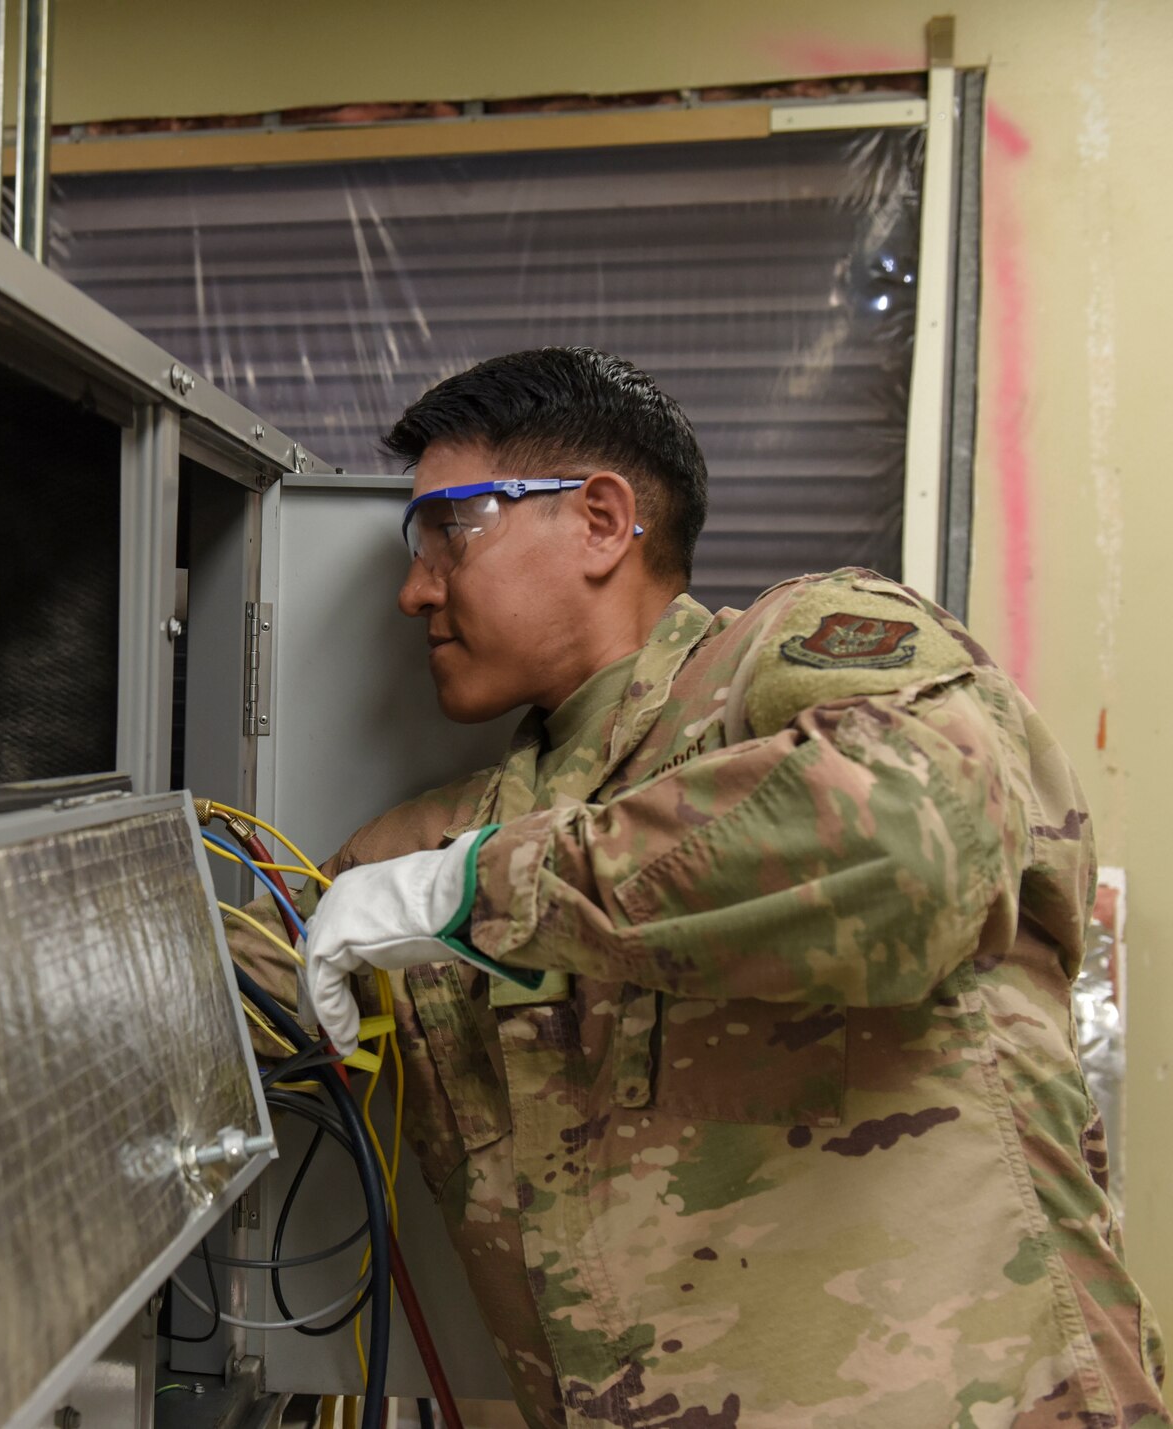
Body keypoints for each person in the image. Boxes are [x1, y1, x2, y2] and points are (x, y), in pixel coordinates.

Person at [222, 349, 1167, 1428]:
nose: (414, 586)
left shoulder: (796, 658)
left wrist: (479, 892)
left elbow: (917, 841)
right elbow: (212, 991)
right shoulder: (430, 841)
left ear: (597, 518)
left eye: (448, 528)